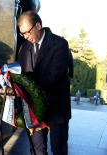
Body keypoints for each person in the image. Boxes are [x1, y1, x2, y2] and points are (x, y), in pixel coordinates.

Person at [17, 11, 71, 155]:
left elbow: (54, 77)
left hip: (56, 109)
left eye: (27, 32)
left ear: (38, 25)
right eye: (22, 34)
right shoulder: (24, 48)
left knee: (58, 149)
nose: (26, 37)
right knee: (37, 150)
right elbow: (20, 74)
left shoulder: (59, 44)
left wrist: (26, 82)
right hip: (34, 110)